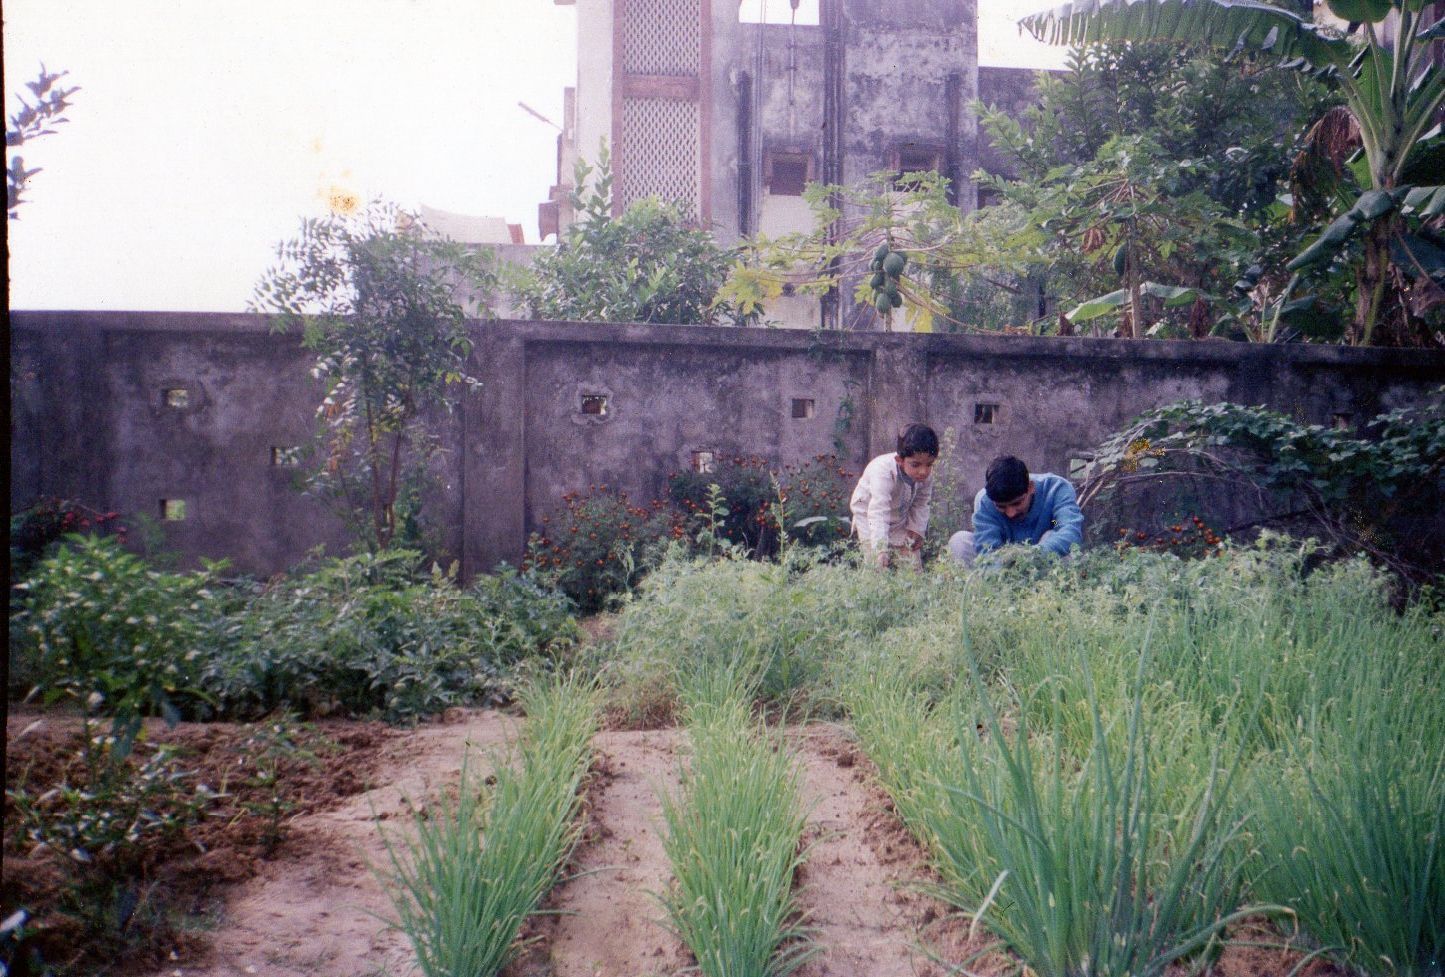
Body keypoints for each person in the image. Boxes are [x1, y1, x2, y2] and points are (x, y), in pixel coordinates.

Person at [948, 455, 1083, 566]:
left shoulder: (1057, 489)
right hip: (1004, 562)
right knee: (959, 541)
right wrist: (1004, 566)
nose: (1011, 513)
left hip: (1044, 556)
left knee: (1053, 534)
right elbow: (987, 550)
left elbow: (1069, 531)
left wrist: (1032, 554)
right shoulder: (985, 501)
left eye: (1017, 503)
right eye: (1001, 507)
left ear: (1030, 488)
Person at [850, 423, 938, 569]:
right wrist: (880, 549)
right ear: (899, 460)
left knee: (913, 567)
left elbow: (922, 502)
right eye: (915, 465)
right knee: (876, 564)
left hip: (898, 517)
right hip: (869, 516)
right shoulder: (882, 471)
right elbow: (878, 511)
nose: (923, 471)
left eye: (929, 464)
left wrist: (917, 529)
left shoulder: (926, 475)